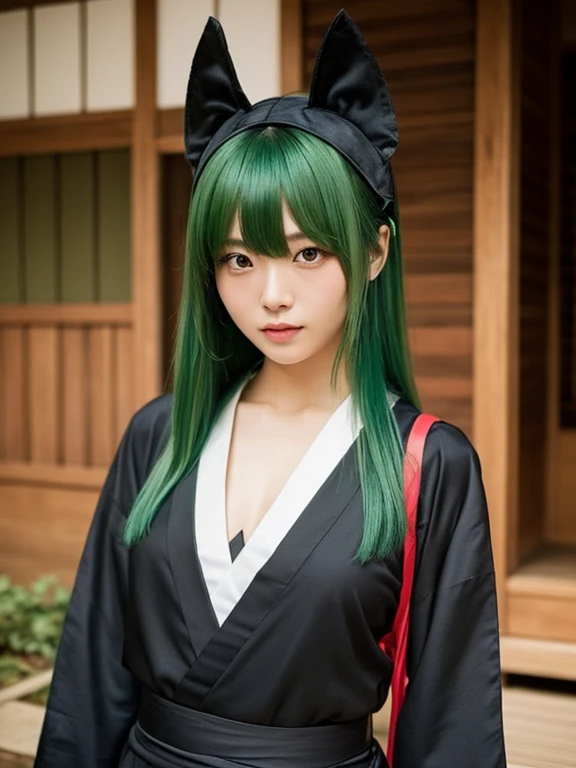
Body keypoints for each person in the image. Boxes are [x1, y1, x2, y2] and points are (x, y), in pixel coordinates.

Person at [34, 11, 507, 768]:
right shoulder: (158, 436)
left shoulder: (430, 464)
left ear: (376, 249)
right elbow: (91, 675)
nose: (272, 295)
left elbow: (454, 721)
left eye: (308, 251)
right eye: (239, 259)